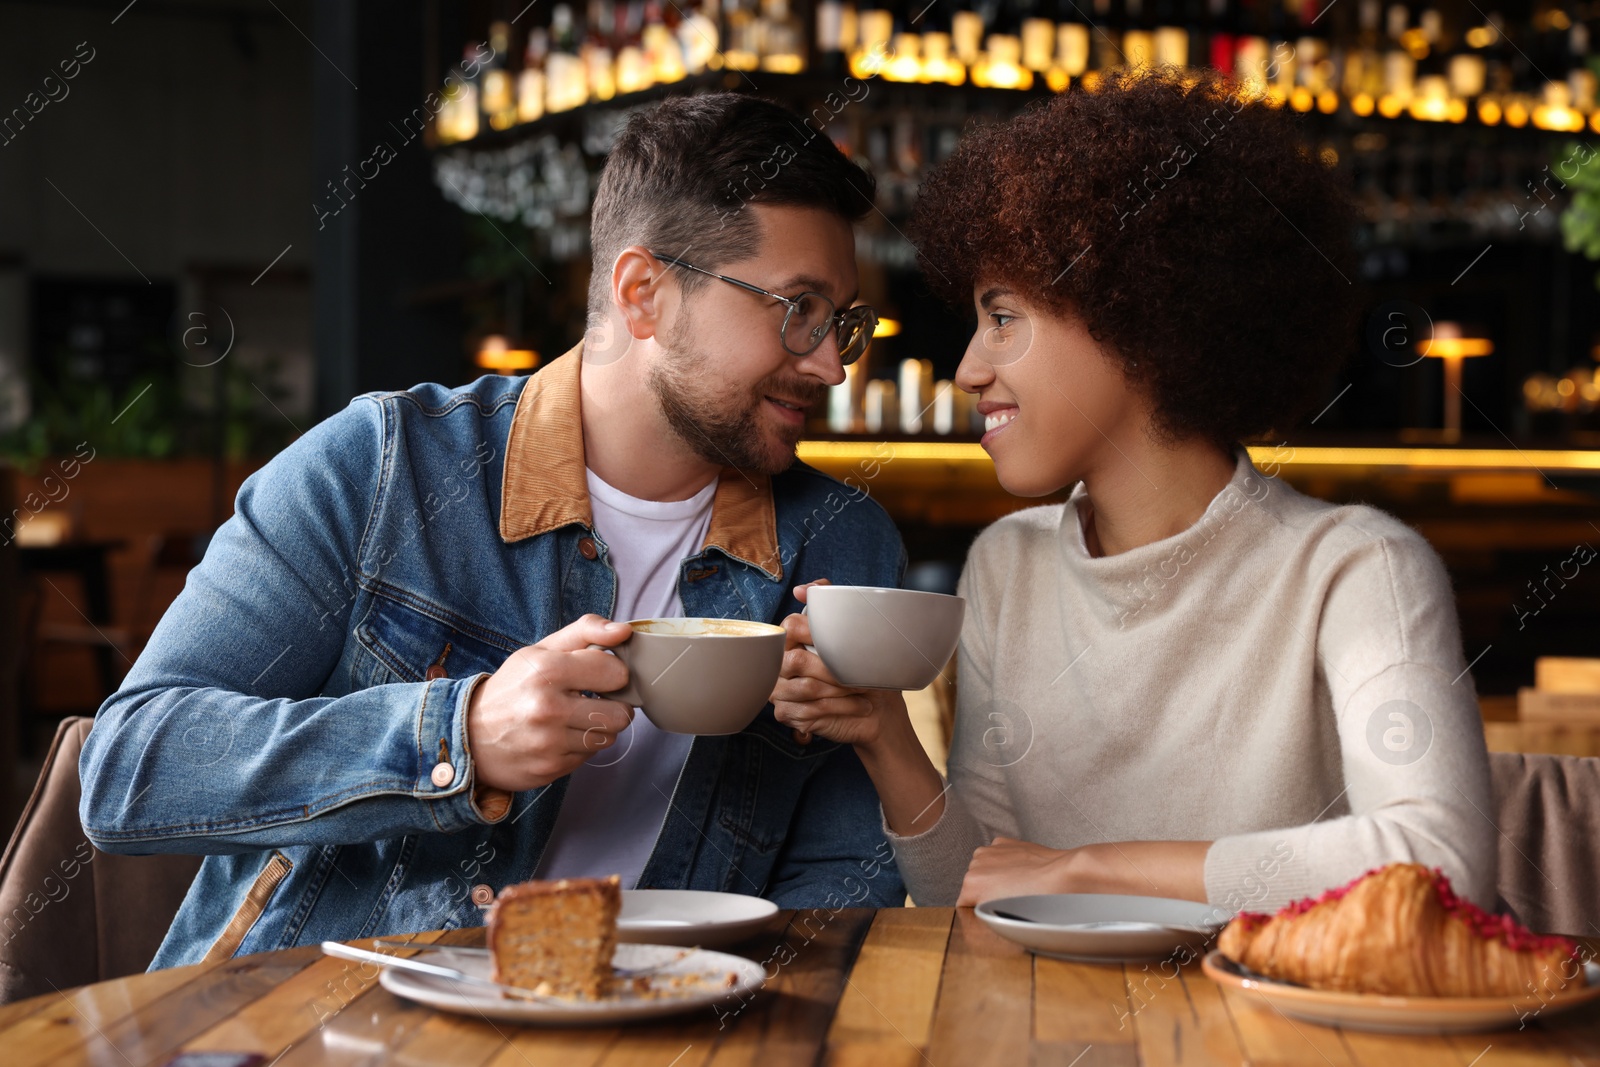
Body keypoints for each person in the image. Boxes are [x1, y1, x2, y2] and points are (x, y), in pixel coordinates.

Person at [79, 93, 906, 970]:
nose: (831, 363)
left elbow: (837, 902)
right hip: (309, 1027)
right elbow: (132, 768)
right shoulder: (384, 467)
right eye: (798, 310)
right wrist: (456, 737)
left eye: (842, 322)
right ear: (645, 295)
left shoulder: (842, 544)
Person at [772, 69, 1496, 915]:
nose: (969, 368)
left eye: (1001, 317)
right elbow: (977, 889)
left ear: (1137, 316)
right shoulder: (1009, 565)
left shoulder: (1357, 568)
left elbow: (1440, 862)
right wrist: (885, 737)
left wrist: (1089, 868)